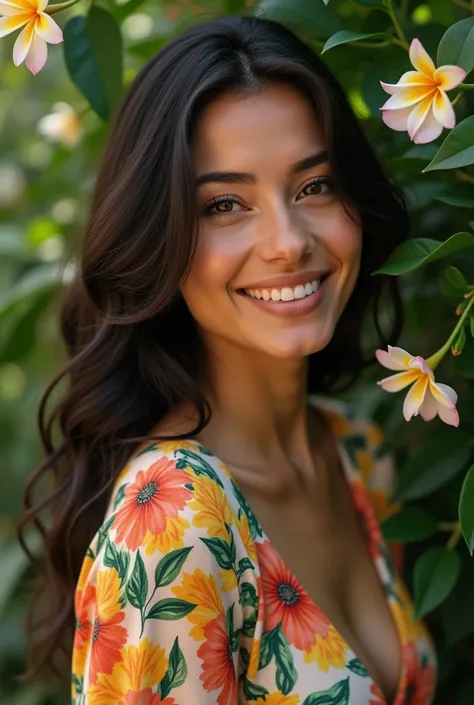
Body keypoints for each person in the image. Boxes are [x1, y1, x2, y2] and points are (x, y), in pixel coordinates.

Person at [20, 13, 437, 705]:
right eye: (224, 204)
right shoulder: (170, 524)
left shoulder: (359, 455)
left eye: (314, 186)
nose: (287, 241)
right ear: (161, 239)